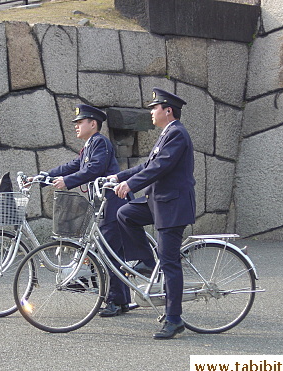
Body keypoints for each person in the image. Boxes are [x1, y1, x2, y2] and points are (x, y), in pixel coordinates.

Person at [108, 88, 196, 339]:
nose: (150, 112)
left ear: (168, 110)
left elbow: (160, 167)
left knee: (169, 262)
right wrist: (119, 176)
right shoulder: (166, 134)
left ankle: (174, 319)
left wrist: (130, 185)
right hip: (157, 201)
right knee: (125, 214)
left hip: (172, 206)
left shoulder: (177, 133)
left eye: (154, 108)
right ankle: (147, 261)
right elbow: (147, 165)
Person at [46, 104, 130, 317]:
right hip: (107, 204)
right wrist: (44, 177)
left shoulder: (100, 142)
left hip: (112, 203)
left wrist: (67, 181)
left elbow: (93, 170)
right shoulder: (90, 146)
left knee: (108, 253)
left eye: (80, 122)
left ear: (93, 124)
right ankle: (122, 301)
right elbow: (73, 166)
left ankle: (115, 301)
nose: (76, 126)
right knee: (113, 252)